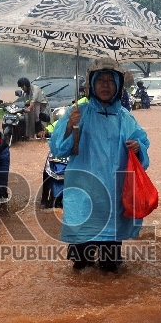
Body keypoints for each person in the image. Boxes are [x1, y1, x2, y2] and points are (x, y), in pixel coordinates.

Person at [48, 57, 150, 273]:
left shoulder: (126, 118)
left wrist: (138, 148)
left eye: (110, 81)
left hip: (113, 197)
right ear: (91, 84)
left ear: (118, 85)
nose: (105, 85)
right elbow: (58, 149)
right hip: (84, 195)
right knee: (80, 265)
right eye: (100, 80)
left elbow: (143, 152)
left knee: (110, 266)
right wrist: (69, 125)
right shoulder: (78, 113)